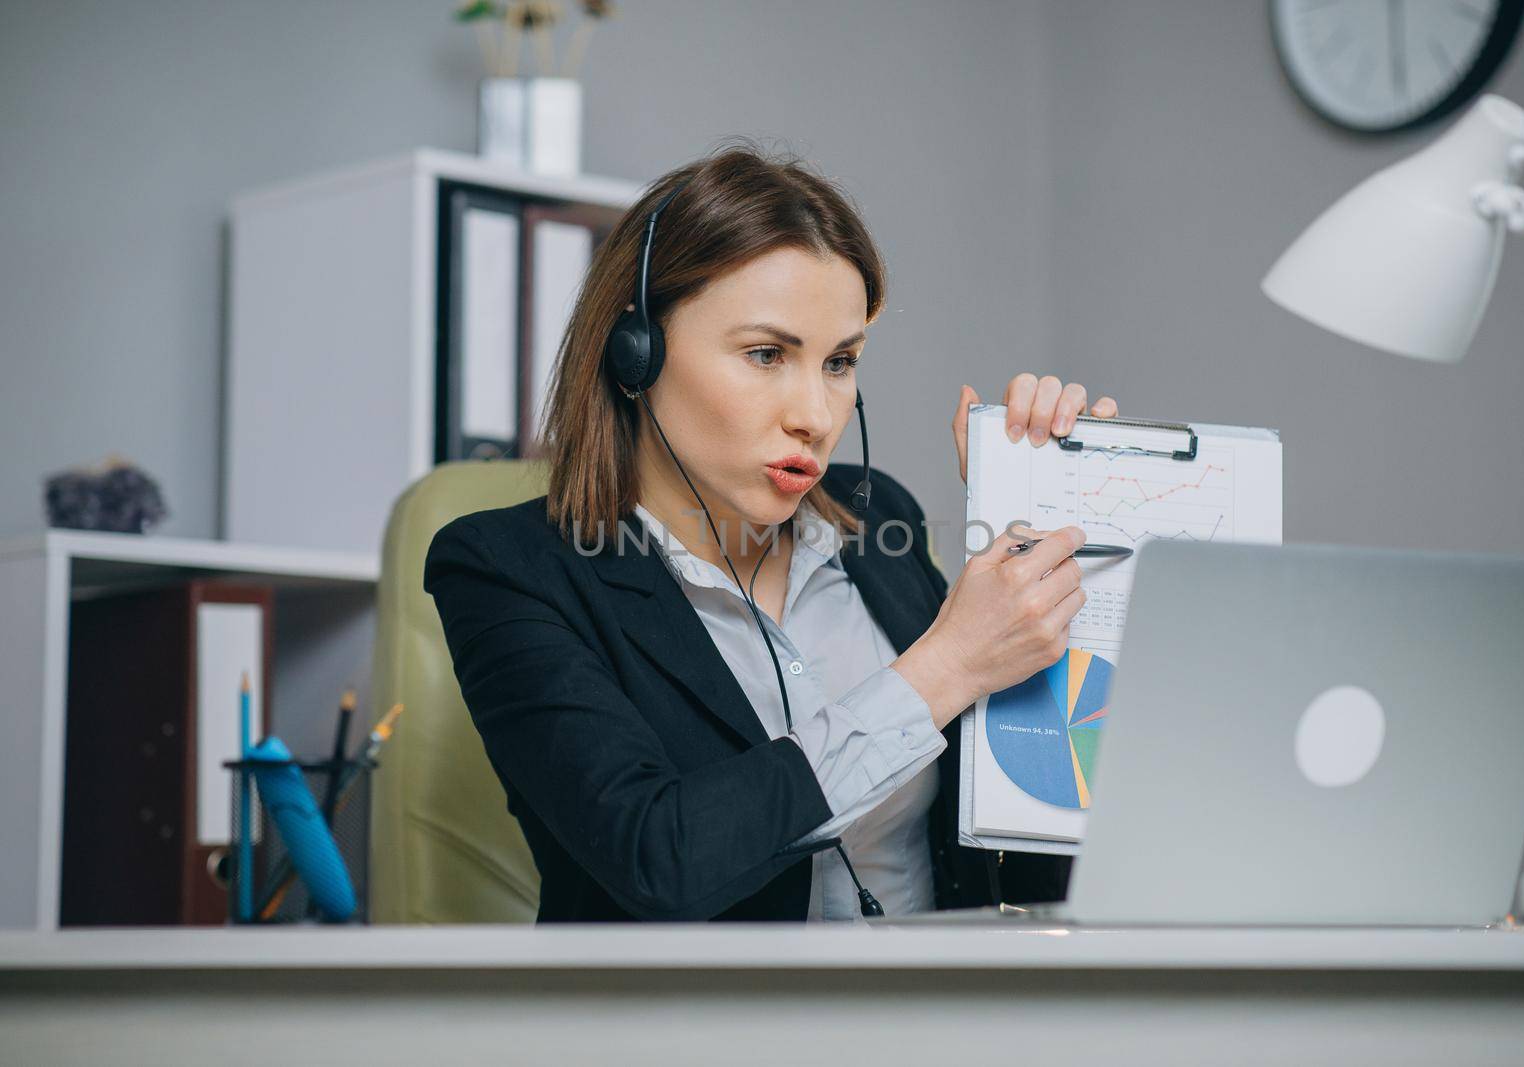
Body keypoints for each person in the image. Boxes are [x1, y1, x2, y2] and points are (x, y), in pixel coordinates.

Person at [423, 142, 1119, 922]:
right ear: (636, 352)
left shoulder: (876, 519)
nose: (815, 417)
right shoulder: (508, 569)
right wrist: (944, 667)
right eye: (766, 354)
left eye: (839, 362)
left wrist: (1056, 522)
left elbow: (1029, 839)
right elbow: (658, 855)